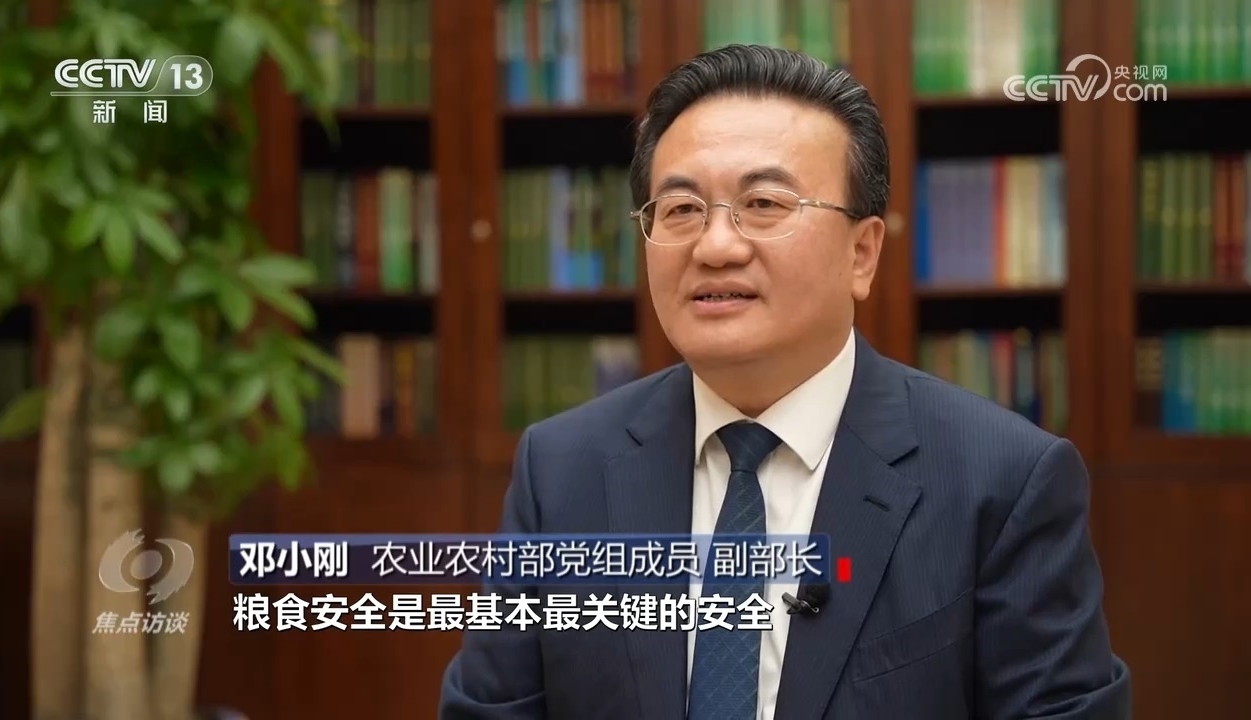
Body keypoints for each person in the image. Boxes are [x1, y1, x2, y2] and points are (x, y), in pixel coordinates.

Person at [440, 44, 1131, 720]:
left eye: (764, 203)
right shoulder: (562, 471)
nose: (715, 246)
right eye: (680, 210)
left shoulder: (1003, 481)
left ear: (862, 253)